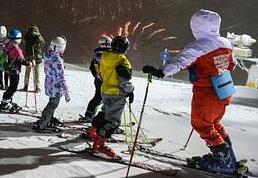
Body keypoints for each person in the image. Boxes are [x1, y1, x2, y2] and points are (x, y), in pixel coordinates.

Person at [142, 9, 238, 175]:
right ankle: (229, 157)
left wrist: (162, 71)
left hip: (206, 93)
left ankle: (223, 162)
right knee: (214, 123)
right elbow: (232, 64)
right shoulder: (226, 43)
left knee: (202, 124)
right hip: (223, 90)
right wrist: (216, 69)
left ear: (196, 27)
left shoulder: (199, 46)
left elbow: (180, 61)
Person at [85, 36, 133, 158]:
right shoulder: (122, 61)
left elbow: (99, 75)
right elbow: (124, 81)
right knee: (113, 121)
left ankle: (93, 132)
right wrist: (130, 91)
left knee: (104, 114)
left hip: (105, 91)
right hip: (117, 94)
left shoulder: (104, 57)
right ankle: (100, 145)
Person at [33, 36, 70, 131]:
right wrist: (66, 91)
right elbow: (61, 76)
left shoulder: (48, 55)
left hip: (49, 84)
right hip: (55, 86)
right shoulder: (58, 60)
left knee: (52, 101)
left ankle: (50, 117)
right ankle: (44, 121)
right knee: (53, 104)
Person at [0, 29, 33, 112]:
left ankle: (8, 99)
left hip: (10, 69)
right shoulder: (16, 49)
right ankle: (5, 101)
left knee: (12, 85)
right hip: (15, 70)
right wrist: (30, 63)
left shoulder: (8, 45)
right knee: (13, 87)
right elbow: (21, 60)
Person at [80, 35, 112, 123]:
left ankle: (89, 114)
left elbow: (91, 67)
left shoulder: (96, 55)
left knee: (97, 97)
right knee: (105, 99)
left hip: (98, 80)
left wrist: (96, 76)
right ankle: (104, 118)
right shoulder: (109, 56)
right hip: (106, 81)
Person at [23, 25, 45, 92]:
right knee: (37, 72)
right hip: (37, 56)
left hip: (28, 55)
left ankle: (26, 85)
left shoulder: (26, 36)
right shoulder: (38, 36)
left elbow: (24, 43)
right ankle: (37, 87)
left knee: (27, 71)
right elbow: (42, 43)